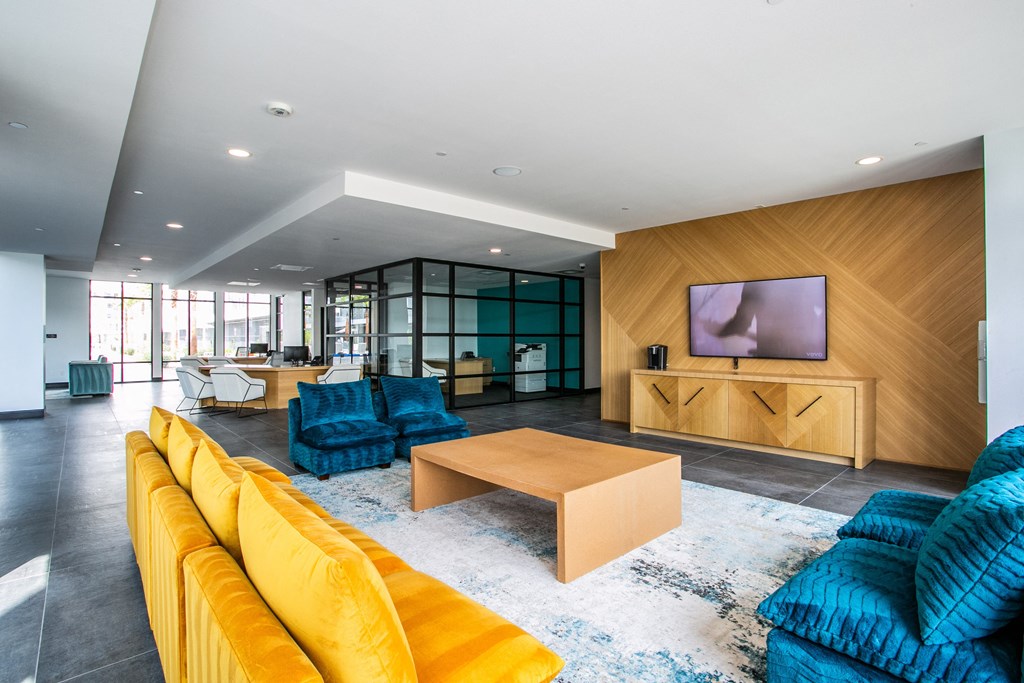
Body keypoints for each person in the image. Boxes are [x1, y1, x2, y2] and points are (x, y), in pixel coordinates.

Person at [701, 278, 825, 359]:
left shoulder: (755, 284)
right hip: (808, 352)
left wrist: (713, 329)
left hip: (773, 355)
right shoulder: (804, 283)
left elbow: (740, 325)